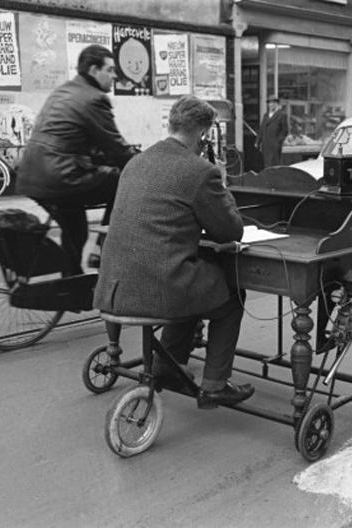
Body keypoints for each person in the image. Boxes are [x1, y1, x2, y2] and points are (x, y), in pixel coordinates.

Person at [93, 95, 254, 409]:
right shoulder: (199, 171)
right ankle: (214, 386)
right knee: (230, 295)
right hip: (158, 286)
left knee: (192, 279)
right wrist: (220, 180)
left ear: (171, 124)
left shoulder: (135, 162)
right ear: (203, 134)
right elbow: (230, 231)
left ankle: (167, 366)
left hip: (115, 284)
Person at [16, 44, 138, 273]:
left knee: (75, 228)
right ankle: (103, 251)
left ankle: (71, 282)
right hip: (60, 176)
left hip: (31, 175)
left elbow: (75, 138)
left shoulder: (63, 90)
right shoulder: (94, 98)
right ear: (94, 70)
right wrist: (144, 166)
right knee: (124, 182)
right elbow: (115, 147)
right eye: (110, 70)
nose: (114, 76)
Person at [255, 94, 289, 168]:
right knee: (267, 164)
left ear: (277, 104)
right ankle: (268, 179)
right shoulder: (266, 115)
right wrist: (258, 141)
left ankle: (275, 179)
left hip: (274, 145)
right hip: (265, 145)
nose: (271, 105)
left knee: (275, 164)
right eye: (270, 103)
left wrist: (278, 141)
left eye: (273, 103)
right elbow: (262, 129)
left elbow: (285, 130)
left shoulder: (281, 115)